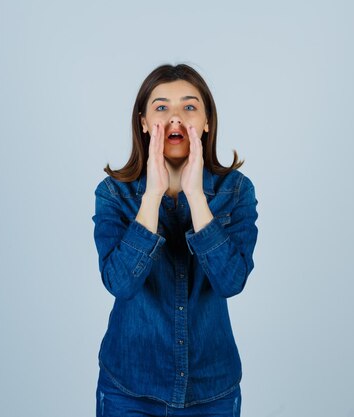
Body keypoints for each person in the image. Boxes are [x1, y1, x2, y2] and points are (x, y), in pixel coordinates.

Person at [92, 63, 258, 417]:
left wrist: (196, 195)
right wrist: (151, 196)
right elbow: (120, 283)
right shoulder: (113, 194)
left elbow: (231, 282)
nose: (176, 117)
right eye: (162, 107)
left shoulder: (236, 190)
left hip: (212, 390)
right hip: (129, 390)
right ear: (143, 121)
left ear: (207, 120)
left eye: (189, 106)